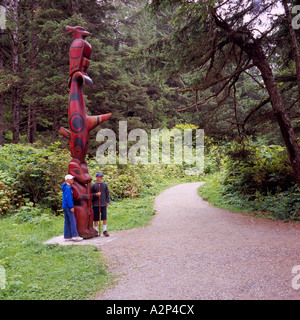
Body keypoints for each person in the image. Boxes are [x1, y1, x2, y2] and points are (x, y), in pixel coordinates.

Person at [61, 174, 83, 242]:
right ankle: (75, 236)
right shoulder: (68, 188)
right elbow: (68, 198)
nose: (72, 180)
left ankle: (67, 236)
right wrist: (71, 207)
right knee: (73, 221)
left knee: (67, 221)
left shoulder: (65, 187)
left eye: (72, 179)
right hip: (68, 206)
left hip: (64, 206)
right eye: (71, 179)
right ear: (67, 180)